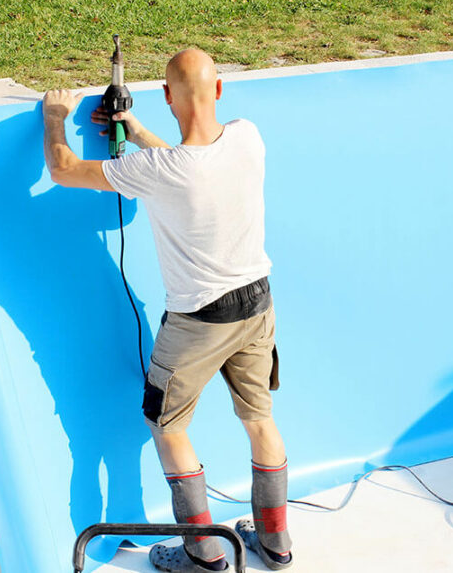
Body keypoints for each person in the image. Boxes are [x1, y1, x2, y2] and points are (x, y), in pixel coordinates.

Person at [42, 48, 293, 572]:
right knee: (260, 420)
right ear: (219, 90)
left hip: (199, 320)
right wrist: (132, 129)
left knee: (168, 424)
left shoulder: (158, 169)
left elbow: (63, 169)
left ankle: (202, 554)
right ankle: (275, 542)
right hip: (257, 305)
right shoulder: (249, 137)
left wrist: (55, 118)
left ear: (166, 96)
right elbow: (191, 169)